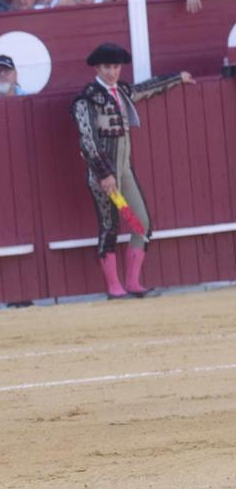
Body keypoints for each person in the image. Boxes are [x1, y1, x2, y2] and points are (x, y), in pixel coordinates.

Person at [70, 43, 194, 298]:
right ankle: (114, 287)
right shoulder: (87, 98)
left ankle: (133, 283)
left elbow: (147, 88)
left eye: (116, 67)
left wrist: (178, 78)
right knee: (109, 226)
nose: (112, 72)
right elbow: (88, 140)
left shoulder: (123, 92)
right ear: (97, 68)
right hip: (104, 177)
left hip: (124, 172)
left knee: (141, 223)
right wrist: (104, 174)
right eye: (107, 67)